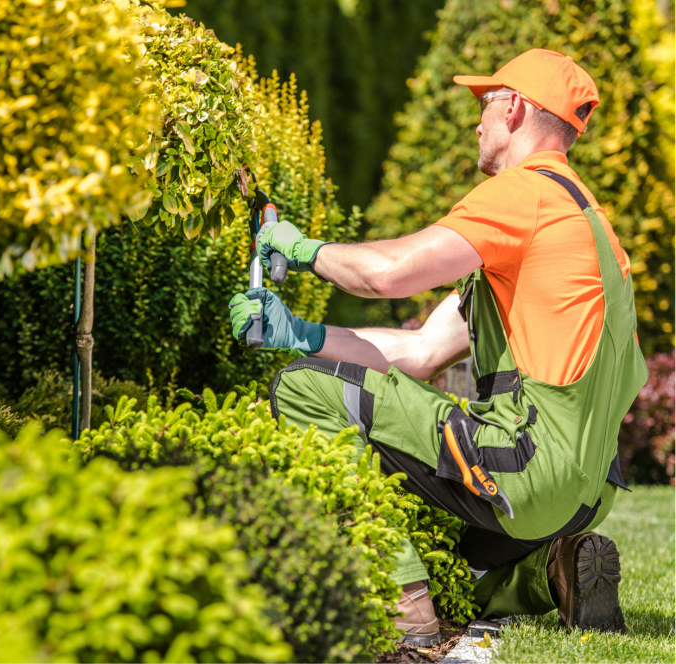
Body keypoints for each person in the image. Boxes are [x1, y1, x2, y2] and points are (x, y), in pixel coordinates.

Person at [228, 49, 648, 646]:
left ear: (515, 109)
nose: (476, 121)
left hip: (527, 468)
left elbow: (387, 275)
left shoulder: (524, 194)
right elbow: (422, 351)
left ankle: (403, 608)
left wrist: (302, 249)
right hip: (584, 493)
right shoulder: (584, 222)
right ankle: (551, 573)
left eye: (484, 104)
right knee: (447, 556)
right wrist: (300, 334)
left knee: (301, 388)